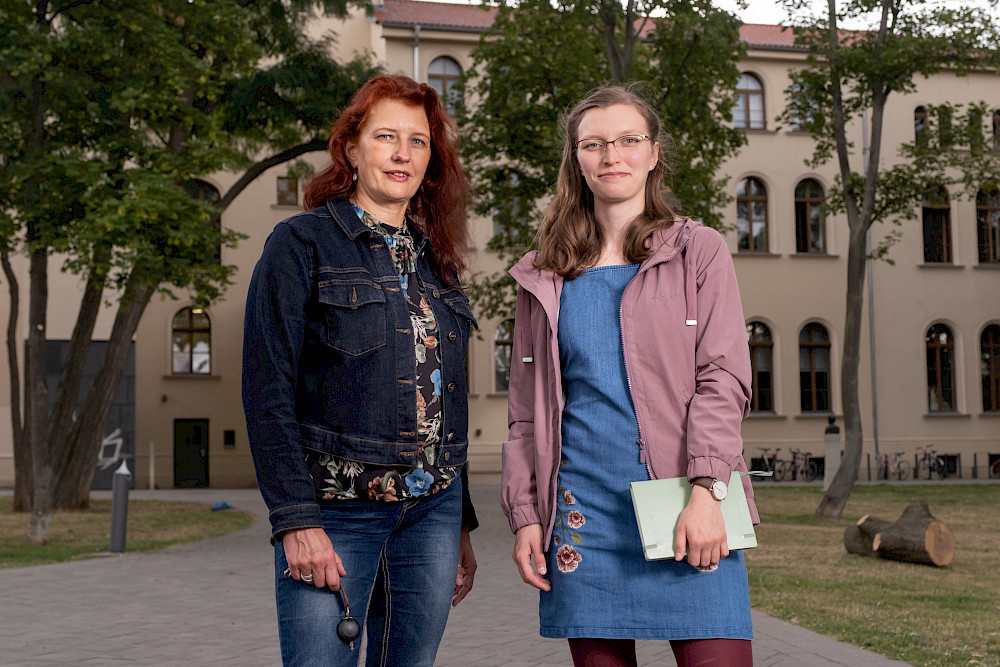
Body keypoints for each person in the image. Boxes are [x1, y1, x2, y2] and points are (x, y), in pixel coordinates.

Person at [500, 85, 758, 667]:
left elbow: (723, 380)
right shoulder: (544, 276)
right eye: (594, 144)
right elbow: (524, 414)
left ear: (653, 152)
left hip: (686, 504)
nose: (612, 154)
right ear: (577, 162)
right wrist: (525, 517)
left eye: (628, 140)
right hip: (582, 514)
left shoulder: (700, 251)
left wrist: (709, 490)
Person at [243, 74, 478, 667]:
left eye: (418, 141)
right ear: (351, 149)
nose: (403, 153)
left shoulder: (437, 262)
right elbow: (266, 391)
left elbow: (444, 398)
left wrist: (462, 526)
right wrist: (296, 522)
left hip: (432, 512)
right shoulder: (301, 244)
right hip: (335, 509)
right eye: (386, 137)